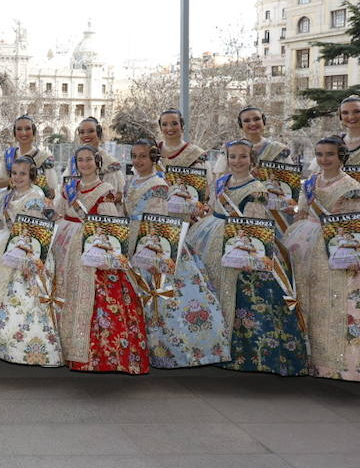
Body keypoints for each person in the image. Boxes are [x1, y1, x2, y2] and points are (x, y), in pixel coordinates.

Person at [284, 136, 360, 383]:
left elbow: (356, 225)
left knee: (339, 301)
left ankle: (341, 362)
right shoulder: (309, 183)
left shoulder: (353, 187)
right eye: (319, 154)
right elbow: (303, 213)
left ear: (341, 156)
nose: (324, 159)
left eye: (329, 154)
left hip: (338, 247)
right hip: (305, 244)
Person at [187, 139, 308, 376]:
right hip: (212, 236)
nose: (237, 161)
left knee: (243, 296)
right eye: (232, 156)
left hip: (241, 244)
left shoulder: (257, 189)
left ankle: (243, 353)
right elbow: (213, 209)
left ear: (252, 160)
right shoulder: (221, 181)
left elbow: (255, 224)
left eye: (243, 157)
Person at [122, 139, 226, 368]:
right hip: (132, 237)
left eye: (143, 156)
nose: (138, 161)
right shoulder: (131, 181)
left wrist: (151, 249)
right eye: (135, 156)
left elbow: (160, 218)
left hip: (150, 240)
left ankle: (170, 349)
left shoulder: (158, 183)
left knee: (159, 293)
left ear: (153, 159)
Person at [53, 145, 147, 374]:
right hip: (65, 244)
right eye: (80, 160)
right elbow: (59, 211)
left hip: (92, 247)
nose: (84, 164)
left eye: (88, 160)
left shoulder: (105, 190)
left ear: (97, 163)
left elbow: (110, 224)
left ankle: (93, 354)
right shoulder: (69, 188)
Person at [0, 157, 63, 366]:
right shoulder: (7, 195)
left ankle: (22, 345)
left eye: (22, 173)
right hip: (3, 243)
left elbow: (40, 228)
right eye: (14, 173)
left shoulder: (36, 195)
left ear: (31, 175)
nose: (17, 177)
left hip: (27, 248)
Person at [0, 115, 59, 225]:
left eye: (27, 129)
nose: (23, 133)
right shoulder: (8, 155)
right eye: (19, 129)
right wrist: (13, 181)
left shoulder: (44, 157)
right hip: (9, 204)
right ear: (14, 133)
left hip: (33, 208)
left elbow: (51, 193)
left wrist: (34, 188)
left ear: (34, 132)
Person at [211, 106, 291, 177]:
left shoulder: (279, 150)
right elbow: (218, 178)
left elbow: (290, 179)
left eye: (257, 119)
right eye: (246, 121)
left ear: (263, 121)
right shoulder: (229, 148)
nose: (252, 123)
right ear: (241, 125)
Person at [70, 116, 125, 195]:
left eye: (91, 131)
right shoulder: (72, 162)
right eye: (82, 132)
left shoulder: (110, 164)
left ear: (98, 134)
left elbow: (117, 195)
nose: (86, 135)